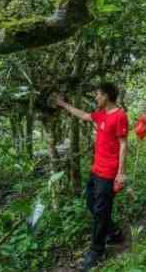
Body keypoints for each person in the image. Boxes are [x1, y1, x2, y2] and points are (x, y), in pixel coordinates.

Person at [54, 83, 128, 272]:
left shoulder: (120, 116)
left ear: (107, 96)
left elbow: (123, 144)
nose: (95, 98)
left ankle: (97, 250)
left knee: (101, 212)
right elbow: (84, 115)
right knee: (90, 204)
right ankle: (115, 233)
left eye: (98, 95)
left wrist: (120, 173)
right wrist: (63, 104)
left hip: (109, 172)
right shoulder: (101, 114)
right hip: (96, 170)